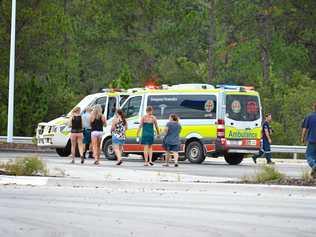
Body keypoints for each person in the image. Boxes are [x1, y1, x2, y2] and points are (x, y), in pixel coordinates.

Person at [301, 102, 316, 178]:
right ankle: (314, 174)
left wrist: (302, 138)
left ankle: (314, 166)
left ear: (314, 107)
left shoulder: (309, 117)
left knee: (309, 156)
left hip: (312, 139)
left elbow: (304, 129)